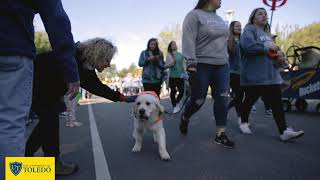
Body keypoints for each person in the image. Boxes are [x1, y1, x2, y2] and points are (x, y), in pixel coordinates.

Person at [25, 38, 136, 176]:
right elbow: (45, 67)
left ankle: (29, 158)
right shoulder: (71, 55)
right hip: (34, 85)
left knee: (48, 124)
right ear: (98, 55)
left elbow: (99, 88)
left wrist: (122, 98)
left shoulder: (87, 69)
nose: (108, 65)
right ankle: (37, 163)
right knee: (48, 123)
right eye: (107, 60)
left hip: (46, 93)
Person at [0, 1, 80, 179]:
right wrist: (71, 71)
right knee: (11, 125)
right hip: (12, 49)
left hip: (38, 84)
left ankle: (43, 163)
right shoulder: (81, 63)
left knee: (50, 116)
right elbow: (55, 18)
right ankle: (37, 166)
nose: (107, 66)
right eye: (106, 62)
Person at [239, 7, 304, 141]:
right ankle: (243, 121)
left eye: (265, 14)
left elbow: (275, 52)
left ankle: (283, 131)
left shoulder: (268, 34)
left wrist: (281, 58)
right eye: (260, 14)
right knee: (250, 100)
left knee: (276, 103)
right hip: (255, 75)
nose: (264, 16)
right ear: (253, 17)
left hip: (271, 75)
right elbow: (248, 46)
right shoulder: (249, 30)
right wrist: (267, 47)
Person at [180, 0, 235, 148]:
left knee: (223, 98)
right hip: (201, 64)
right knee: (198, 100)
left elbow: (225, 42)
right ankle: (185, 116)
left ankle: (220, 134)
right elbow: (188, 39)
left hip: (222, 65)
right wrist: (191, 62)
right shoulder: (194, 15)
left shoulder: (219, 19)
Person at [227, 21, 244, 125]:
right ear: (232, 28)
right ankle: (240, 117)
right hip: (232, 72)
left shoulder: (243, 41)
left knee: (240, 96)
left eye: (240, 26)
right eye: (237, 26)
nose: (239, 27)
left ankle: (226, 109)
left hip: (243, 73)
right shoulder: (228, 41)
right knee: (238, 95)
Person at [165, 41, 186, 114]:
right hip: (172, 76)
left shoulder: (180, 55)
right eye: (172, 44)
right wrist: (171, 64)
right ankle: (174, 106)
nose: (174, 45)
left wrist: (185, 73)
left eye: (175, 44)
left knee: (182, 91)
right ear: (170, 47)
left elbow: (183, 65)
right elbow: (166, 66)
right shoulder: (168, 55)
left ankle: (176, 102)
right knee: (173, 91)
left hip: (180, 76)